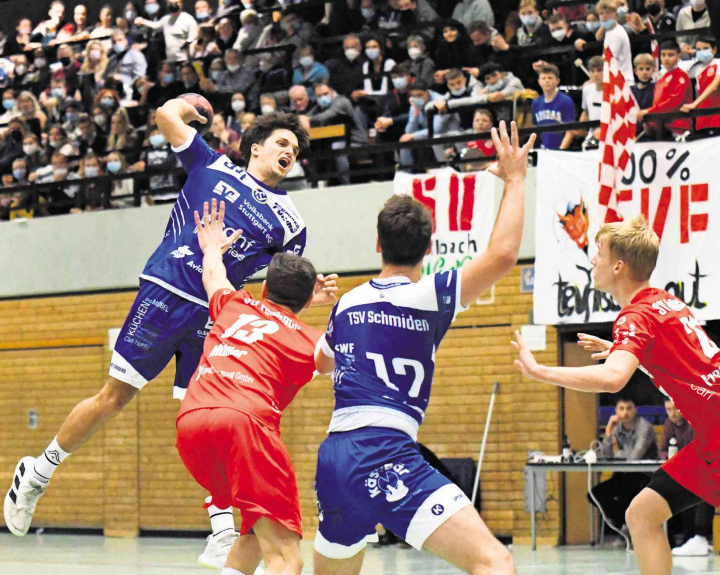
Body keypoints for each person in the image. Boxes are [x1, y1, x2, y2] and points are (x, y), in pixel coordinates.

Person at [2, 107, 333, 572]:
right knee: (113, 398)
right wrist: (189, 100)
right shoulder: (211, 163)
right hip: (164, 292)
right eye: (282, 143)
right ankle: (37, 473)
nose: (289, 153)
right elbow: (165, 115)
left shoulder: (290, 223)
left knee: (204, 410)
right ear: (255, 146)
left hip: (215, 313)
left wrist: (305, 302)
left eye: (295, 151)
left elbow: (277, 292)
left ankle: (220, 528)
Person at [312, 121, 534, 575]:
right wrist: (515, 180)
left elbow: (320, 363)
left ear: (378, 244)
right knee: (496, 563)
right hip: (385, 450)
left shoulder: (348, 302)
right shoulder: (429, 295)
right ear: (429, 249)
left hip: (334, 456)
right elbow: (503, 255)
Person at [513, 215, 720, 575]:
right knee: (642, 515)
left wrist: (541, 371)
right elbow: (681, 364)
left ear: (619, 266)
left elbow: (612, 379)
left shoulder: (635, 316)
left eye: (599, 252)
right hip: (710, 438)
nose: (593, 259)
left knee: (642, 515)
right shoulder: (665, 303)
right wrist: (621, 348)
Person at [177, 200, 334, 575]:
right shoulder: (310, 340)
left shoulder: (235, 304)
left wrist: (212, 247)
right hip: (245, 426)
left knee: (253, 533)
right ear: (309, 299)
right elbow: (331, 358)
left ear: (265, 288)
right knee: (286, 557)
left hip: (192, 423)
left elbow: (213, 273)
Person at [587, 396, 659, 536]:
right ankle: (624, 523)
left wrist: (617, 452)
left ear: (635, 410)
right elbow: (607, 455)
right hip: (624, 475)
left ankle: (630, 525)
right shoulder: (616, 428)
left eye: (629, 408)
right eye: (621, 408)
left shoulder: (645, 428)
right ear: (616, 411)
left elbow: (634, 457)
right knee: (594, 495)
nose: (625, 412)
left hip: (645, 476)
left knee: (627, 491)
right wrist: (608, 430)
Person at [659, 399, 716, 556]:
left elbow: (699, 449)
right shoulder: (668, 425)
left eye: (676, 408)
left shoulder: (694, 422)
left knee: (699, 487)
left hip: (703, 468)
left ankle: (698, 537)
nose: (673, 413)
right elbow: (663, 450)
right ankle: (679, 539)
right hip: (682, 470)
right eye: (668, 409)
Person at [636, 40, 692, 136]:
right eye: (663, 55)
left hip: (677, 127)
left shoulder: (681, 77)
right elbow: (658, 103)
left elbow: (673, 103)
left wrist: (649, 111)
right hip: (661, 127)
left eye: (670, 55)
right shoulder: (662, 79)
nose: (666, 58)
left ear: (678, 56)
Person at [681, 37, 720, 136]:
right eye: (698, 50)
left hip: (717, 117)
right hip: (701, 120)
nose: (702, 52)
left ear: (714, 50)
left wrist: (694, 104)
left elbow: (714, 86)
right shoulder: (696, 69)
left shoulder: (718, 63)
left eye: (705, 48)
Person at [531, 64, 576, 150]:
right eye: (543, 78)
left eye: (550, 78)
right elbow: (535, 130)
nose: (547, 81)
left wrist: (560, 151)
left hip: (561, 150)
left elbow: (570, 131)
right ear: (539, 82)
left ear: (557, 81)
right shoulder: (536, 103)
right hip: (543, 150)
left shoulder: (566, 101)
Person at [596, 0, 634, 85]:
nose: (604, 17)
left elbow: (610, 60)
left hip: (622, 82)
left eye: (608, 13)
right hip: (617, 81)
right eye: (601, 14)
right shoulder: (610, 31)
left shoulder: (616, 33)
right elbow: (598, 37)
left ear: (615, 14)